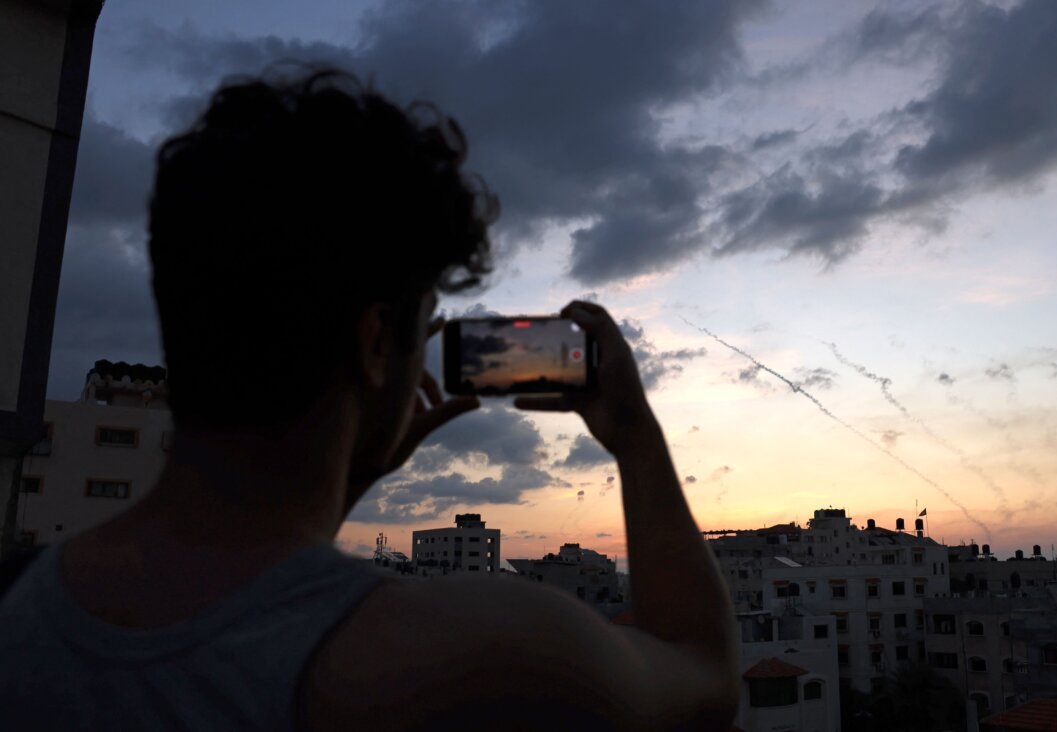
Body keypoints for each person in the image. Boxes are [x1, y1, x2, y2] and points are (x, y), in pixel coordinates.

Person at [0, 67, 738, 730]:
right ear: (377, 343)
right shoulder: (479, 652)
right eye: (423, 328)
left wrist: (346, 469)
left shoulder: (23, 612)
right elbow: (701, 669)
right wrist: (636, 438)